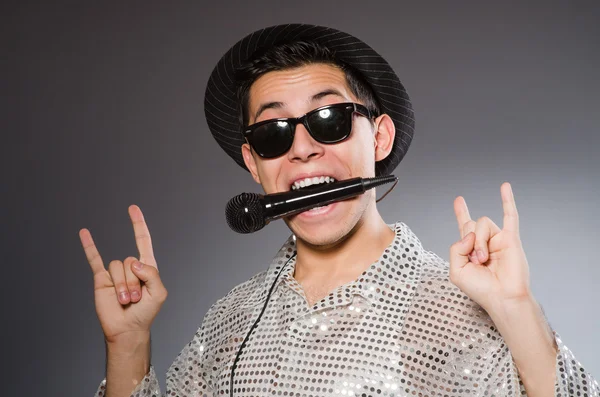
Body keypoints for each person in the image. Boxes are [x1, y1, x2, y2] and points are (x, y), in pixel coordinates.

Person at [81, 24, 598, 397]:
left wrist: (518, 311)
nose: (302, 148)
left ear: (379, 137)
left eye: (329, 119)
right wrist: (128, 344)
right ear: (253, 164)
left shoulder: (453, 307)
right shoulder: (229, 319)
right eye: (273, 132)